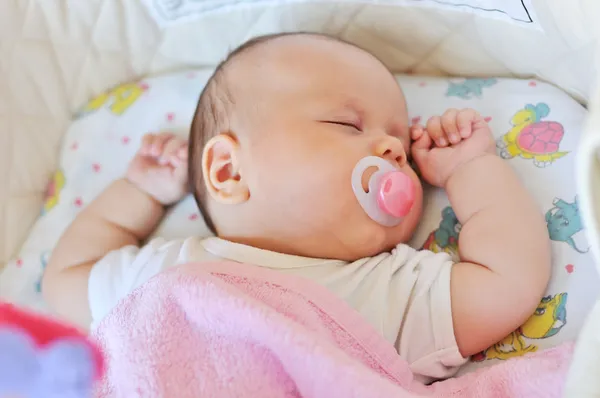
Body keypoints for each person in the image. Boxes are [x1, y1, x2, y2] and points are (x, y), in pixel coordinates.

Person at [42, 32, 551, 383]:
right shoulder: (161, 272)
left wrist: (471, 170)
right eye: (347, 126)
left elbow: (507, 281)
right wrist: (141, 192)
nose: (397, 152)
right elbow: (65, 279)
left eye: (399, 141)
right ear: (229, 172)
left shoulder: (387, 290)